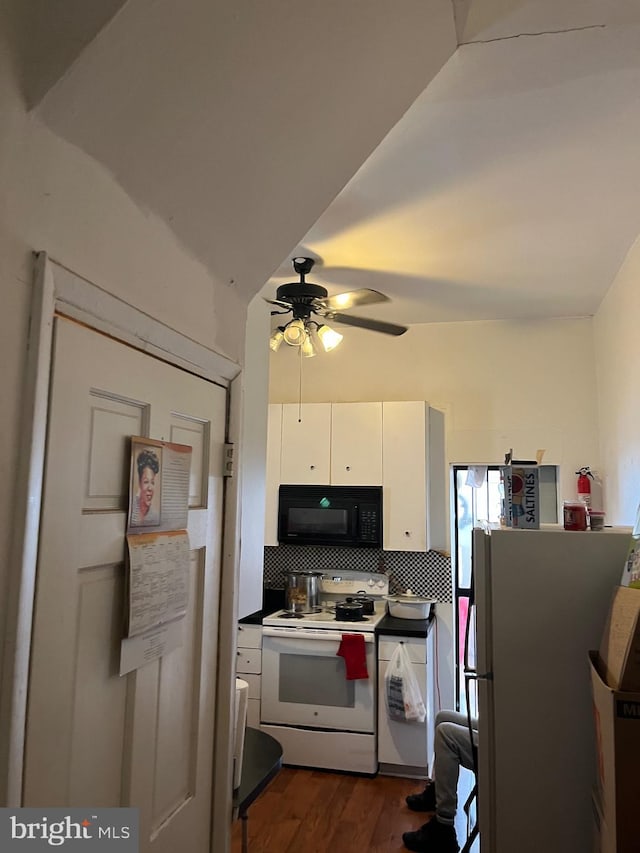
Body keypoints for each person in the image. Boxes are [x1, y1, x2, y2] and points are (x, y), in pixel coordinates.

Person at [402, 709, 479, 853]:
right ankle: (437, 793)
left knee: (445, 735)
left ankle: (443, 828)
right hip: (497, 727)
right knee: (442, 718)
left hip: (503, 743)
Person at [131, 448, 161, 526]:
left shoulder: (155, 517)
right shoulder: (131, 508)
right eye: (146, 482)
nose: (150, 488)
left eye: (152, 482)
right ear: (139, 482)